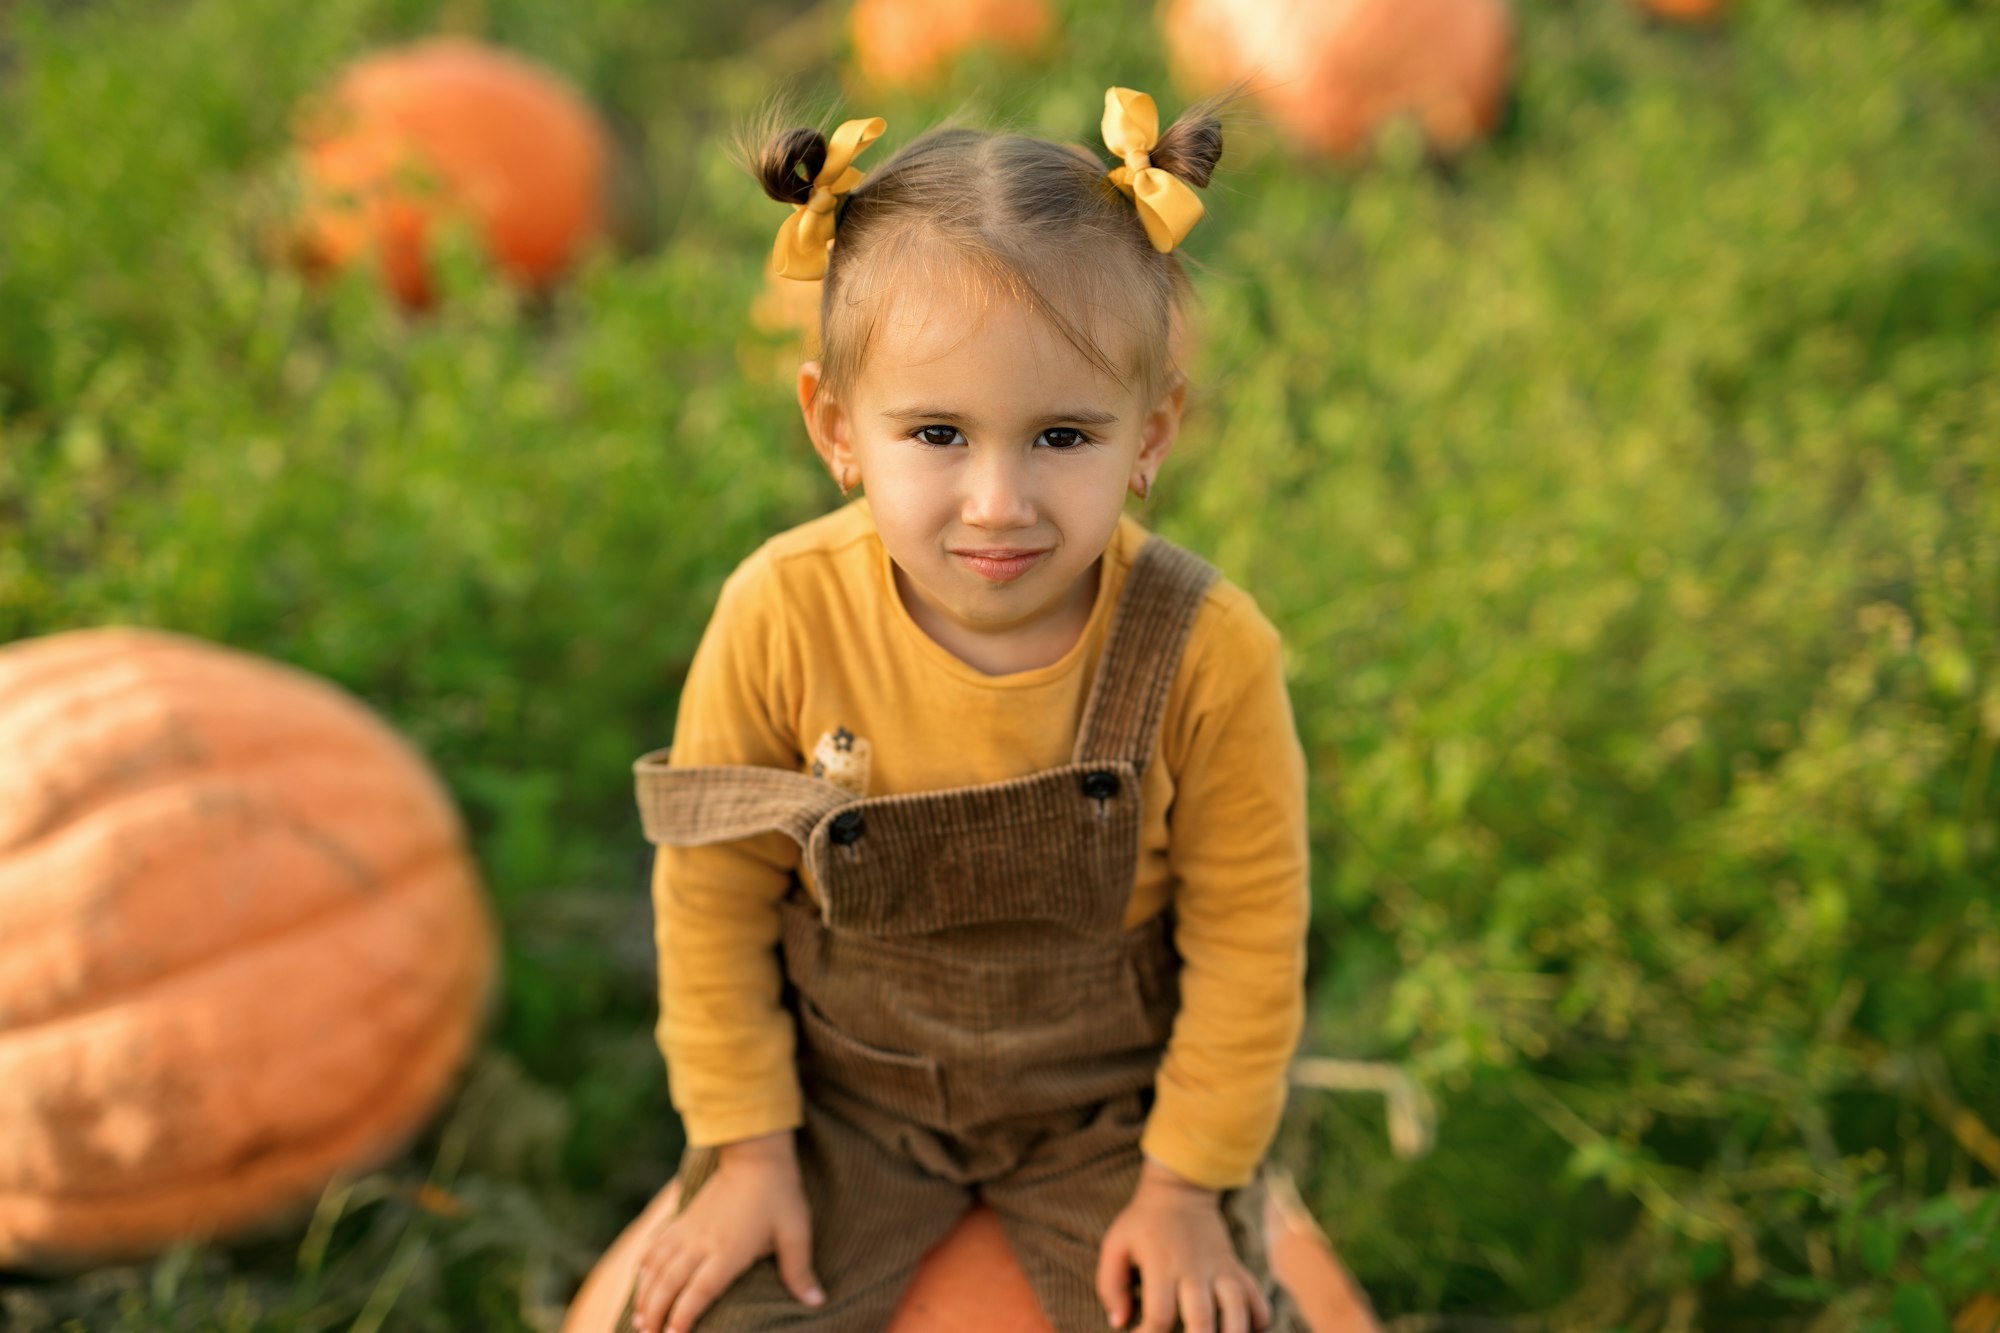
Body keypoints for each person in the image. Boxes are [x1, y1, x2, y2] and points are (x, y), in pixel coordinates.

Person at [620, 86, 1311, 1333]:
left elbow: (1250, 943)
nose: (997, 503)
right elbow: (712, 900)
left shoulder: (1207, 655)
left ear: (1150, 434)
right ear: (836, 427)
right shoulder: (780, 615)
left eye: (1060, 435)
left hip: (1112, 1114)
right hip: (845, 1104)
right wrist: (750, 1153)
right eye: (937, 432)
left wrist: (1185, 1184)